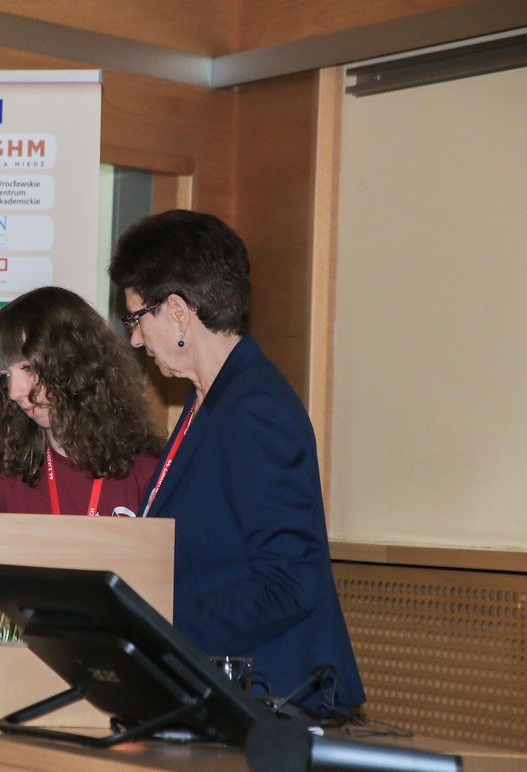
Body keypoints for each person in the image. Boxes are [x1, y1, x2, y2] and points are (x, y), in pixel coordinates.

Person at [108, 209, 365, 718]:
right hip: (223, 694)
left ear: (177, 312)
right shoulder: (209, 401)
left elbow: (289, 585)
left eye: (136, 319)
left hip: (273, 699)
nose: (135, 339)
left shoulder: (254, 410)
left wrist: (157, 622)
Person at [0, 286, 161, 516]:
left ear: (77, 364)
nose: (15, 392)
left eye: (28, 367)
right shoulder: (6, 472)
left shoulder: (148, 470)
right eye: (5, 376)